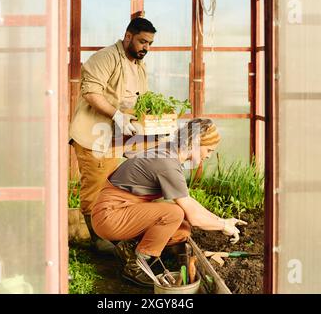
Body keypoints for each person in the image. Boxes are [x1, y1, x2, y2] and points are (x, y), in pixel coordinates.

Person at [91, 118, 248, 286]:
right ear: (194, 143)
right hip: (110, 216)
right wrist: (224, 227)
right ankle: (136, 267)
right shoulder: (167, 163)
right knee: (175, 214)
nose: (208, 155)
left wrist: (222, 221)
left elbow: (189, 203)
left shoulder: (168, 152)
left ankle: (129, 248)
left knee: (182, 229)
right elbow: (194, 216)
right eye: (208, 149)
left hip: (121, 211)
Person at [68, 18, 156, 254]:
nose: (145, 47)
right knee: (95, 186)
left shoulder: (138, 65)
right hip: (92, 136)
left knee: (112, 187)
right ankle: (96, 239)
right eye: (142, 41)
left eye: (149, 43)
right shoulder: (106, 58)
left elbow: (140, 100)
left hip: (117, 138)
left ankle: (110, 230)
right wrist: (117, 114)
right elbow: (91, 92)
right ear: (128, 36)